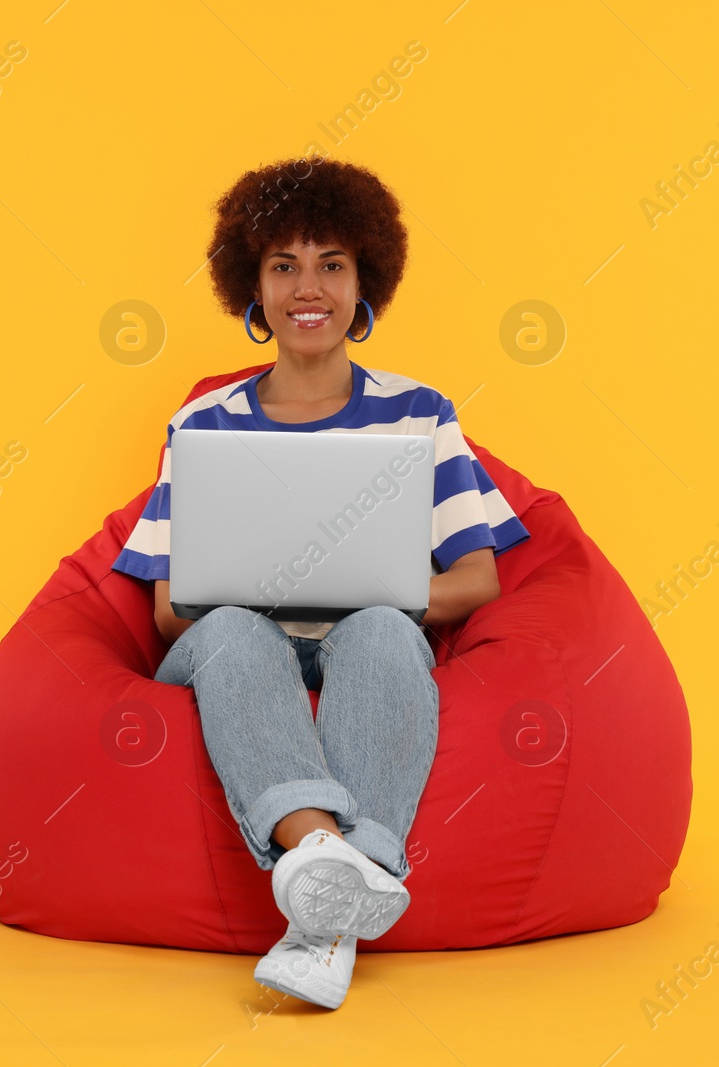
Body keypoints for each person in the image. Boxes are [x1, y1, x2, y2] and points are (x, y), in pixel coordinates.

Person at [110, 157, 530, 1009]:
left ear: (364, 279)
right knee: (228, 626)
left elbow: (477, 577)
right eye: (283, 265)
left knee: (383, 626)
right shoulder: (201, 423)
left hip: (362, 639)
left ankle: (321, 927)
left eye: (332, 263)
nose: (310, 287)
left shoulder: (422, 411)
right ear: (252, 289)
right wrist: (261, 596)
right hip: (239, 646)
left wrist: (369, 593)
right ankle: (330, 858)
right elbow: (168, 610)